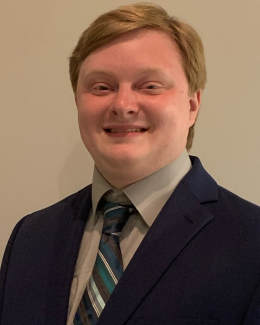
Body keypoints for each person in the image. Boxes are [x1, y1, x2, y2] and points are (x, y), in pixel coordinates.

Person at [1, 3, 260, 325]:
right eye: (102, 87)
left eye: (150, 85)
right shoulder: (30, 237)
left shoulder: (252, 241)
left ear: (192, 105)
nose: (122, 105)